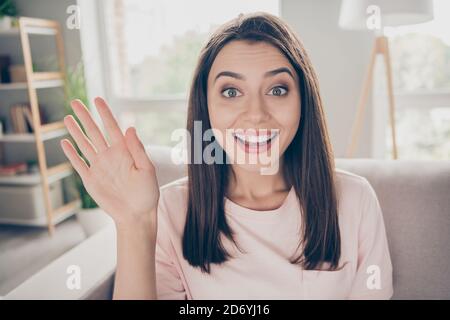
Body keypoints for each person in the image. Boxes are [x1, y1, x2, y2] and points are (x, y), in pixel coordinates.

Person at [61, 12, 393, 300]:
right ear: (205, 107)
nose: (255, 114)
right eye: (231, 92)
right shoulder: (169, 211)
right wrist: (133, 223)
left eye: (277, 89)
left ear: (303, 100)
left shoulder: (356, 200)